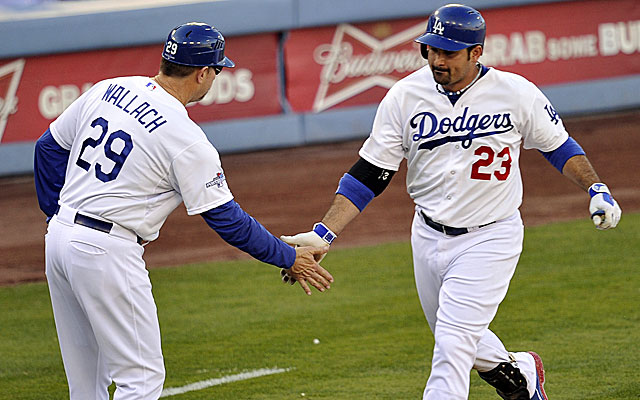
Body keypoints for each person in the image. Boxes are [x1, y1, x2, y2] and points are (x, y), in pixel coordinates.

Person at [280, 4, 621, 400]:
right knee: (457, 336)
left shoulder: (515, 92)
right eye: (431, 50)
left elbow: (559, 147)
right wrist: (324, 234)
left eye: (448, 52)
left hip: (490, 237)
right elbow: (369, 174)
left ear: (476, 52)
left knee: (452, 346)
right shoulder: (404, 97)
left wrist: (596, 188)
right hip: (427, 235)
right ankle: (520, 373)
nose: (437, 60)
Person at [33, 22, 333, 399]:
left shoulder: (109, 87)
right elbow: (226, 218)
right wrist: (288, 257)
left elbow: (47, 148)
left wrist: (55, 217)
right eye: (218, 69)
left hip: (60, 238)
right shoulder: (186, 138)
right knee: (140, 380)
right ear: (203, 73)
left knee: (85, 384)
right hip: (106, 251)